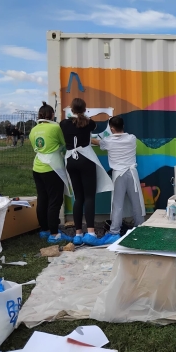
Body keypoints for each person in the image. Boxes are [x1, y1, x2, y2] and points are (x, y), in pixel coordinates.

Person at [60, 98, 112, 245]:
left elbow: (70, 125)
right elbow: (90, 125)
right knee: (89, 197)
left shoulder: (63, 124)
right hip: (86, 159)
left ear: (71, 108)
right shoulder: (89, 123)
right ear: (85, 108)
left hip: (71, 160)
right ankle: (90, 233)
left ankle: (77, 234)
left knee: (78, 197)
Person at [91, 116, 145, 245]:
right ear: (123, 126)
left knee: (117, 204)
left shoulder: (108, 141)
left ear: (111, 128)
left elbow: (96, 142)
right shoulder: (132, 138)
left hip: (118, 175)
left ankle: (114, 232)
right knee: (136, 203)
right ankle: (141, 228)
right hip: (132, 173)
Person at [29, 102, 71, 244]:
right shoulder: (55, 127)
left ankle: (44, 230)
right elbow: (64, 143)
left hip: (37, 168)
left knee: (42, 199)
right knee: (55, 200)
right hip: (52, 168)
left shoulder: (33, 130)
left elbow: (35, 147)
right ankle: (54, 234)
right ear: (52, 115)